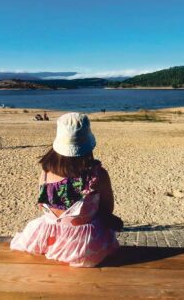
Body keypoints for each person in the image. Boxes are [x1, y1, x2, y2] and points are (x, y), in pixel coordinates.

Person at [11, 112, 120, 267]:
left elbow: (41, 205)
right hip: (82, 249)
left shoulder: (46, 172)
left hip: (46, 240)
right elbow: (107, 209)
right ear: (87, 145)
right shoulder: (98, 175)